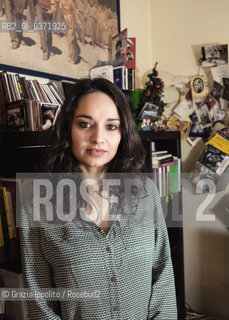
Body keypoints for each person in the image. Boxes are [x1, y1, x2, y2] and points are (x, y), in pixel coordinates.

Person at [20, 78, 177, 319]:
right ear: (67, 129)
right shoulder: (35, 207)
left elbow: (162, 276)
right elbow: (40, 302)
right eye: (85, 124)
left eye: (111, 126)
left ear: (123, 133)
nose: (98, 137)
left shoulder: (146, 193)